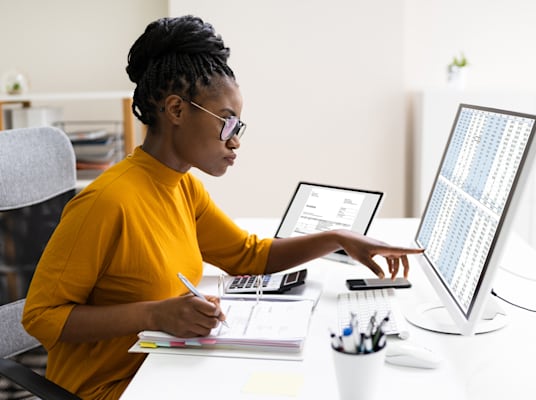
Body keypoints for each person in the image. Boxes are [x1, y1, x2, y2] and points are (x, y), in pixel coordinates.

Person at [22, 15, 423, 400]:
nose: (235, 141)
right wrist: (154, 315)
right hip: (109, 389)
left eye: (239, 127)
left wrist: (339, 238)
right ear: (176, 110)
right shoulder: (106, 203)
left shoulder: (184, 188)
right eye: (227, 122)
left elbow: (250, 256)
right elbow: (41, 317)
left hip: (162, 368)